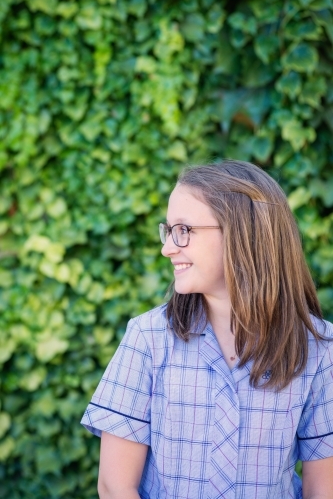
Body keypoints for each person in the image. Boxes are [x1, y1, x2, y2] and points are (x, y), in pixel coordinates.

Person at [81, 160, 333, 499]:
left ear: (243, 233)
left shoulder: (318, 349)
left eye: (183, 230)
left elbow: (324, 490)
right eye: (168, 231)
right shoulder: (148, 338)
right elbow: (115, 487)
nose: (167, 247)